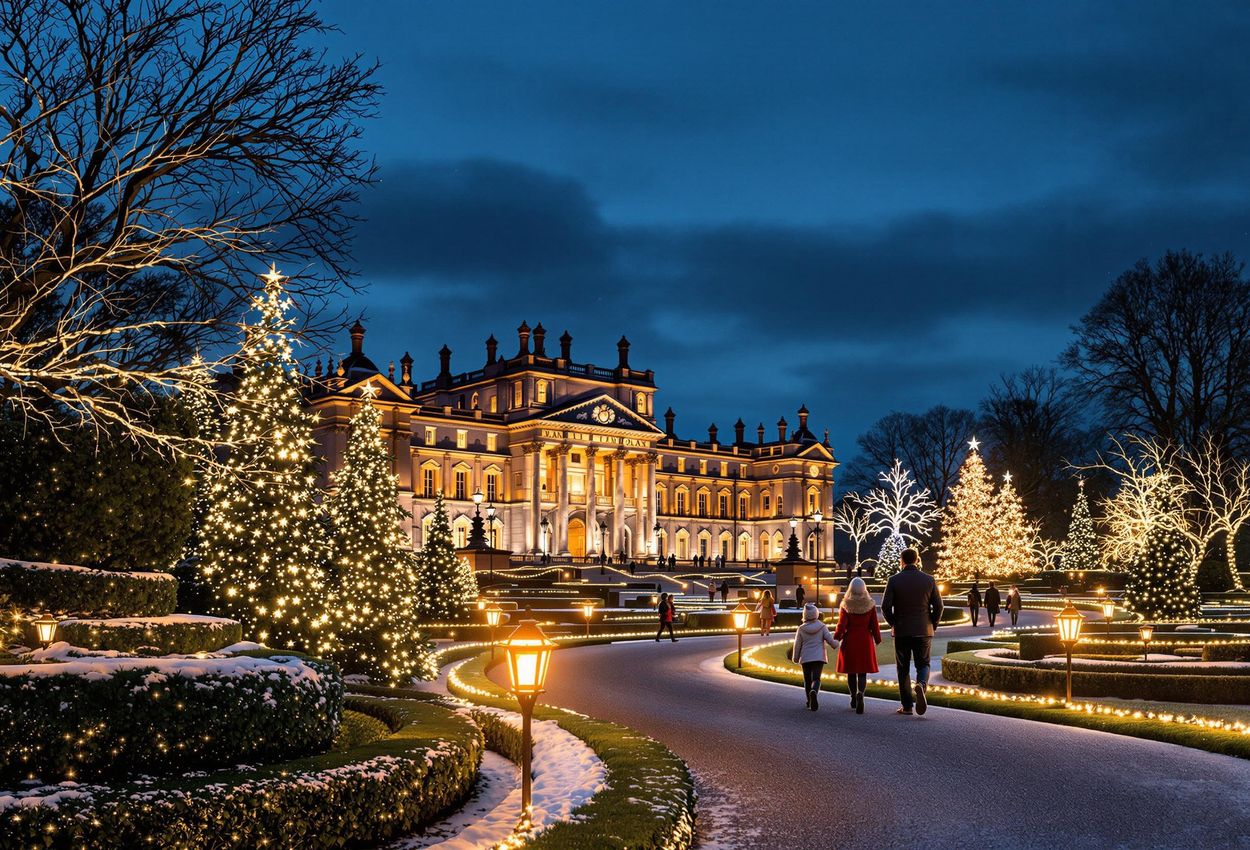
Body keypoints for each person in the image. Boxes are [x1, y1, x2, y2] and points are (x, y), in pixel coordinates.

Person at [881, 548, 943, 716]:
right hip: (923, 629)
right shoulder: (929, 580)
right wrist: (933, 624)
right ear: (917, 560)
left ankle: (907, 706)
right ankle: (922, 685)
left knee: (903, 668)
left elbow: (885, 607)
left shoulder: (894, 580)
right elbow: (939, 606)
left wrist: (894, 623)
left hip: (902, 630)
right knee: (923, 664)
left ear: (902, 561)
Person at [835, 577, 882, 714]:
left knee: (851, 671)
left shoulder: (846, 604)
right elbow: (874, 624)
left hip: (850, 639)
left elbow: (841, 625)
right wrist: (878, 639)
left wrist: (836, 638)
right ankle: (861, 693)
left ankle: (853, 697)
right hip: (865, 640)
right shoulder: (870, 604)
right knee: (862, 671)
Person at [791, 602, 839, 711]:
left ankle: (809, 701)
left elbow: (797, 644)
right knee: (816, 678)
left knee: (807, 680)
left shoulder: (801, 629)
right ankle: (814, 691)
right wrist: (836, 644)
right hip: (818, 657)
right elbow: (830, 640)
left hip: (806, 657)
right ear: (816, 614)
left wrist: (795, 657)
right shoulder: (822, 626)